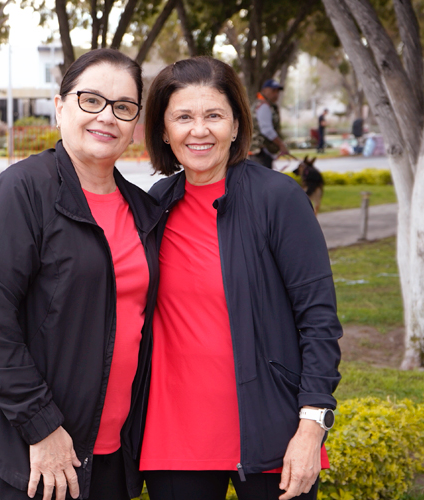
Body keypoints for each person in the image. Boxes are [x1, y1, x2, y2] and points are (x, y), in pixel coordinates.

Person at [0, 48, 162, 500]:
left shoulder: (143, 209)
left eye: (123, 107)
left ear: (135, 124)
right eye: (90, 100)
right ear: (60, 107)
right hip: (30, 446)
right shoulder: (21, 192)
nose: (107, 117)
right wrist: (42, 427)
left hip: (110, 448)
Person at [140, 57, 342, 500]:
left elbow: (319, 321)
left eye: (214, 115)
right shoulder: (154, 205)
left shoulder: (279, 199)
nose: (199, 130)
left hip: (271, 431)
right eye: (183, 117)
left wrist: (312, 426)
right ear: (163, 130)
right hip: (173, 437)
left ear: (235, 126)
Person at [251, 79, 289, 169]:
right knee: (262, 182)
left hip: (257, 153)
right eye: (273, 90)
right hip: (260, 154)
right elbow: (267, 130)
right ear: (264, 91)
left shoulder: (258, 104)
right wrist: (281, 144)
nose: (276, 94)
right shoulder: (263, 106)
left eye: (277, 91)